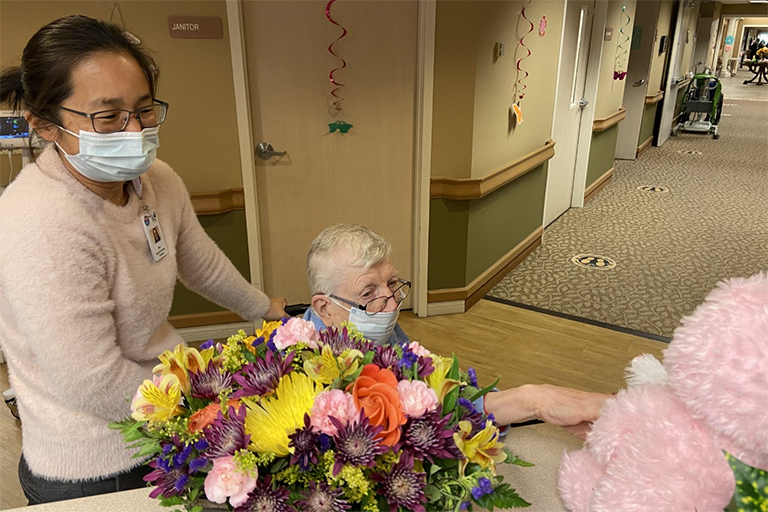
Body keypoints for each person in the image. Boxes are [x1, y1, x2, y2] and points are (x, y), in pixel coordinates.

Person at [0, 16, 286, 504]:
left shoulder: (157, 180)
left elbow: (200, 262)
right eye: (107, 117)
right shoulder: (40, 221)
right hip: (96, 461)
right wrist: (207, 400)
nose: (134, 131)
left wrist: (266, 308)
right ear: (45, 125)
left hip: (161, 418)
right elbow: (91, 380)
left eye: (144, 109)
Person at [303, 224, 609, 437]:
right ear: (324, 308)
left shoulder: (370, 327)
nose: (391, 304)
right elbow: (412, 435)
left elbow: (431, 396)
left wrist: (533, 401)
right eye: (368, 293)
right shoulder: (304, 377)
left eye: (393, 283)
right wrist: (528, 401)